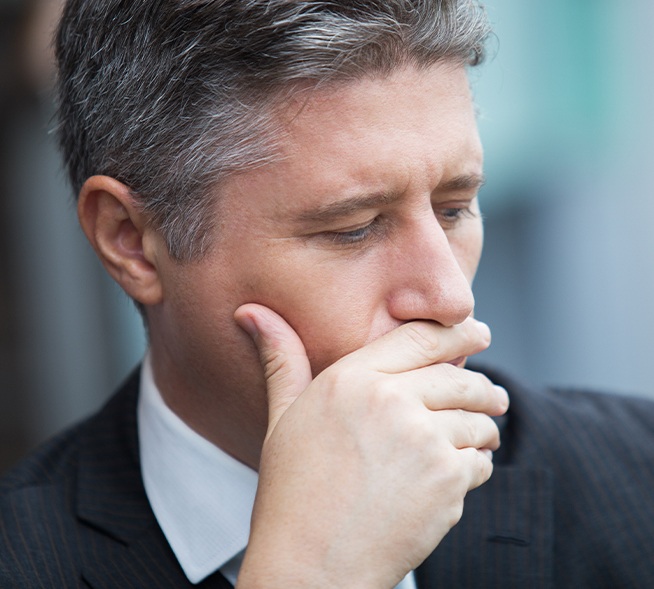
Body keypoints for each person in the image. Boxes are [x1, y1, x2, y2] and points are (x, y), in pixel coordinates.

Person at [1, 1, 654, 587]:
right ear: (132, 241)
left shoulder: (634, 480)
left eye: (455, 208)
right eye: (354, 229)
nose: (452, 298)